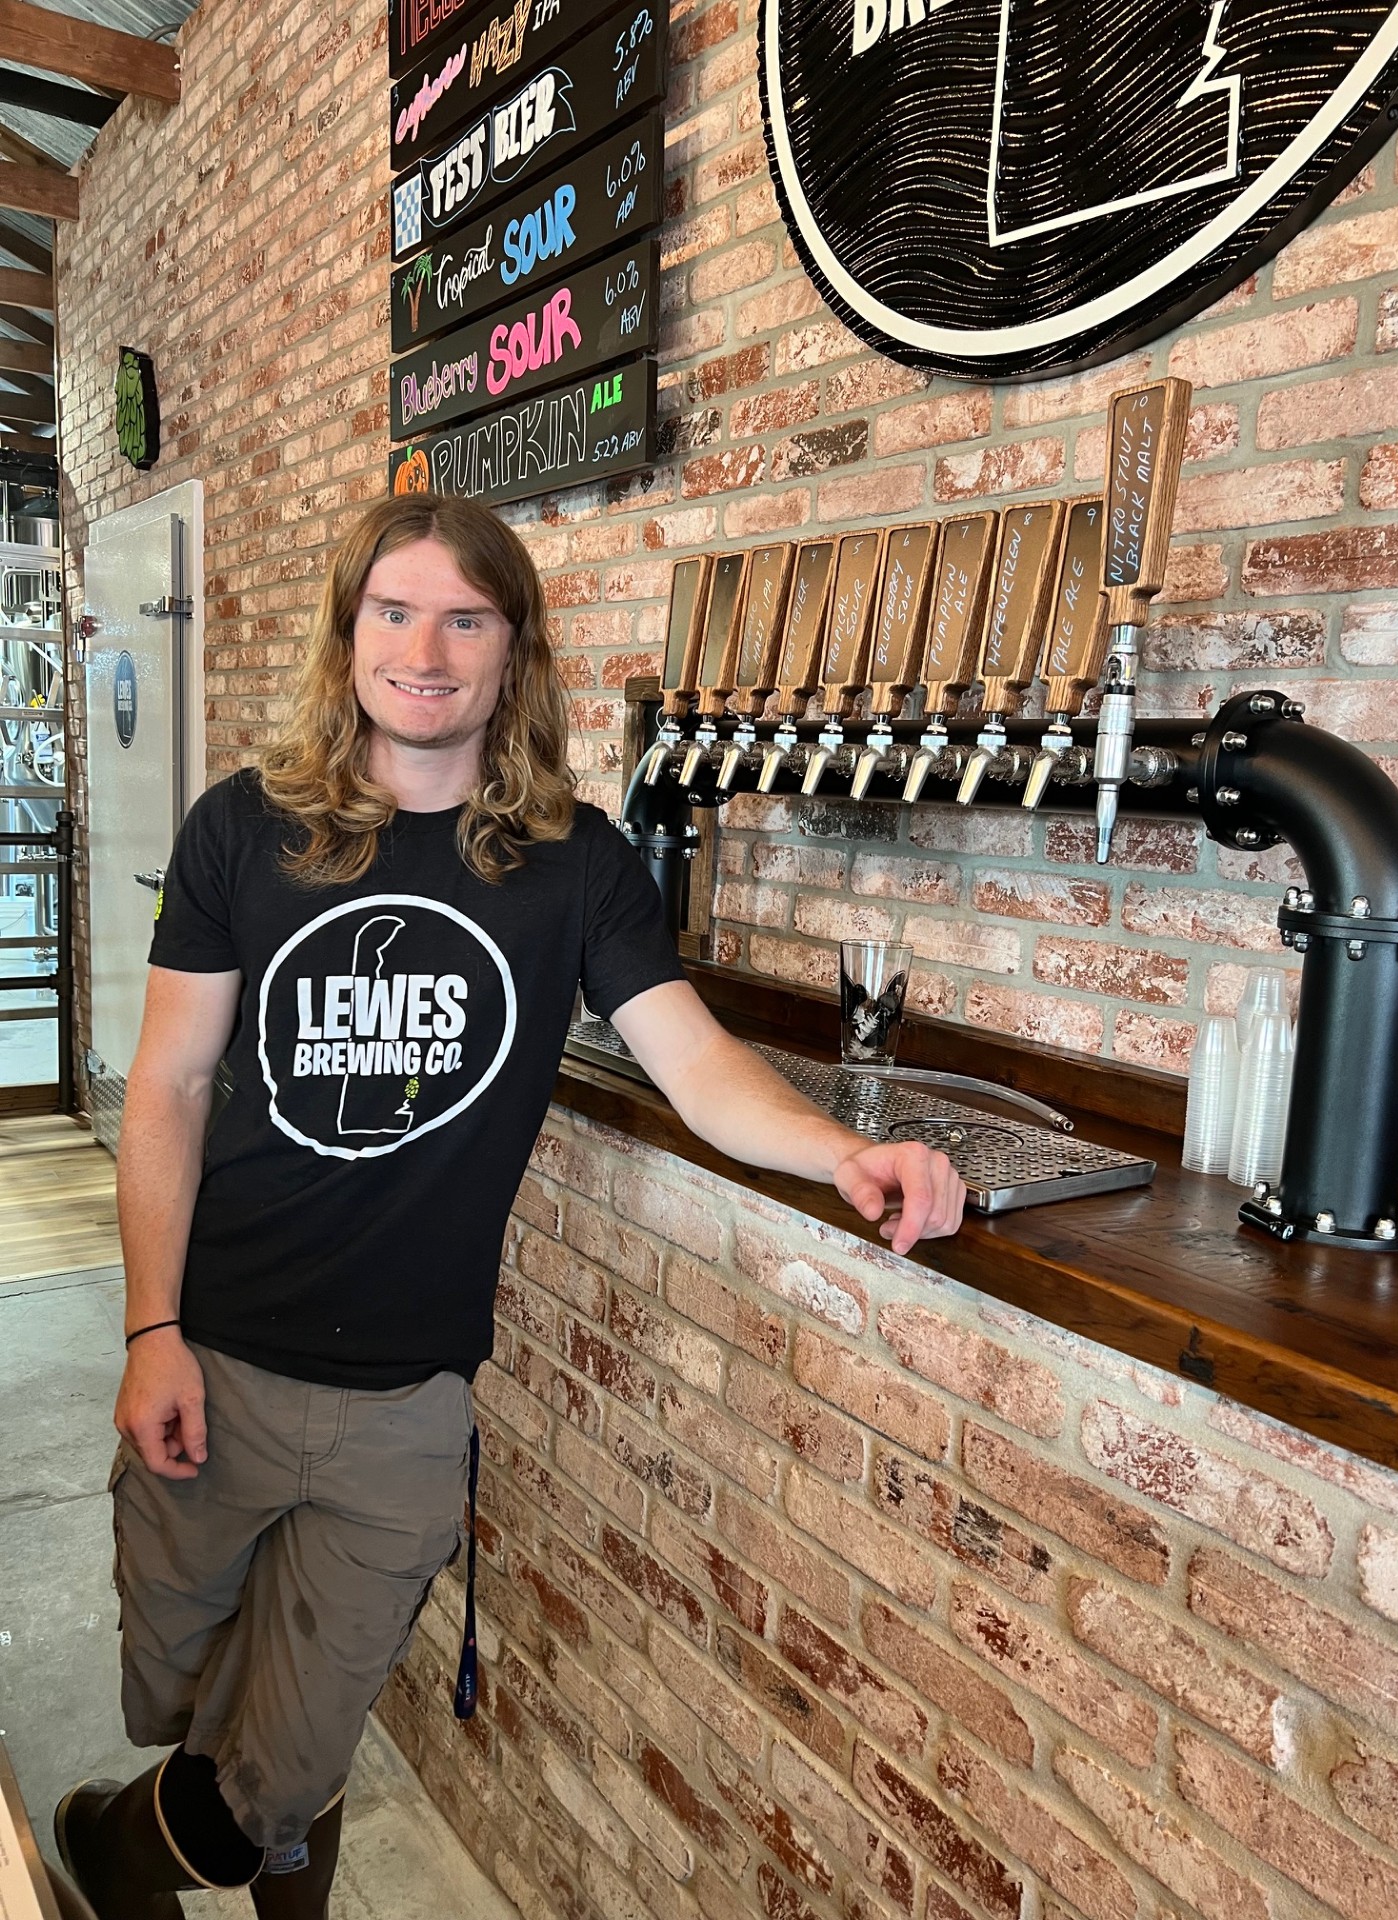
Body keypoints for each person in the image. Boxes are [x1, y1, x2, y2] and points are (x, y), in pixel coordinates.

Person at [55, 495, 965, 1920]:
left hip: (405, 1402)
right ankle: (172, 1833)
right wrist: (149, 1327)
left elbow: (697, 1060)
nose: (427, 648)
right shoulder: (245, 829)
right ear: (348, 633)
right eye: (396, 611)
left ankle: (113, 1855)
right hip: (212, 1356)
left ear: (513, 649)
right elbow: (168, 1086)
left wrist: (841, 1150)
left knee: (273, 1769)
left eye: (466, 617)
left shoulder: (574, 863)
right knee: (197, 1702)